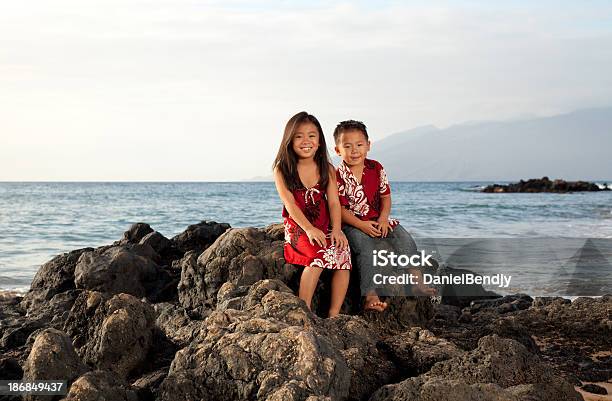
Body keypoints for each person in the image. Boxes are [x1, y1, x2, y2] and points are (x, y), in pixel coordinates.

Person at [333, 120, 436, 312]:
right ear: (338, 150)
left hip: (377, 218)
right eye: (347, 146)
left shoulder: (376, 168)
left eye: (359, 145)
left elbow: (385, 197)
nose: (354, 150)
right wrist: (361, 225)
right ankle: (369, 294)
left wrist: (383, 218)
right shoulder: (336, 175)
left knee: (403, 237)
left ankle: (417, 280)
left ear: (368, 145)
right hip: (352, 223)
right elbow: (338, 208)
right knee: (366, 247)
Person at [273, 111, 351, 318]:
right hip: (299, 225)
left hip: (324, 224)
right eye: (299, 136)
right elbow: (289, 203)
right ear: (289, 140)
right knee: (317, 257)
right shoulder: (282, 169)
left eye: (311, 135)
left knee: (343, 257)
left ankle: (334, 314)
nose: (306, 141)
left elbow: (334, 203)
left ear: (319, 141)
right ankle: (304, 310)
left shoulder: (327, 168)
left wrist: (336, 229)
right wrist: (308, 228)